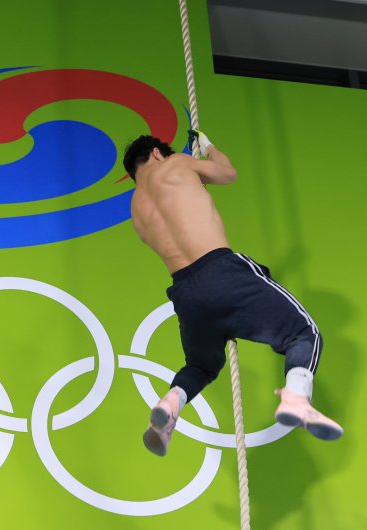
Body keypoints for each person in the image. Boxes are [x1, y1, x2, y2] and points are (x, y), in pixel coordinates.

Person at [124, 131, 343, 456]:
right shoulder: (176, 164)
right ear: (157, 153)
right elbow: (227, 173)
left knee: (201, 366)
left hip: (185, 294)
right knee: (303, 333)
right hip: (221, 272)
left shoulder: (136, 210)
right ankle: (296, 398)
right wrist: (208, 147)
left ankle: (170, 404)